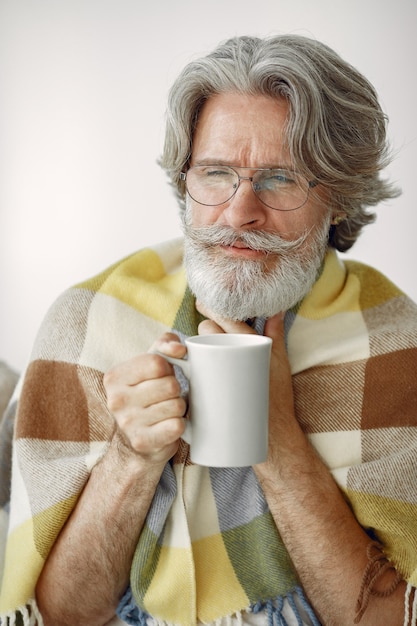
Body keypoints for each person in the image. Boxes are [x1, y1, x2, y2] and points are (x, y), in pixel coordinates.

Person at [0, 34, 416, 626]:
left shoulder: (395, 345)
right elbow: (61, 614)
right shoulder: (90, 320)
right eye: (216, 173)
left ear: (340, 199)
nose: (239, 211)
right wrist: (132, 455)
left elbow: (389, 619)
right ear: (183, 182)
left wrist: (276, 437)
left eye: (280, 178)